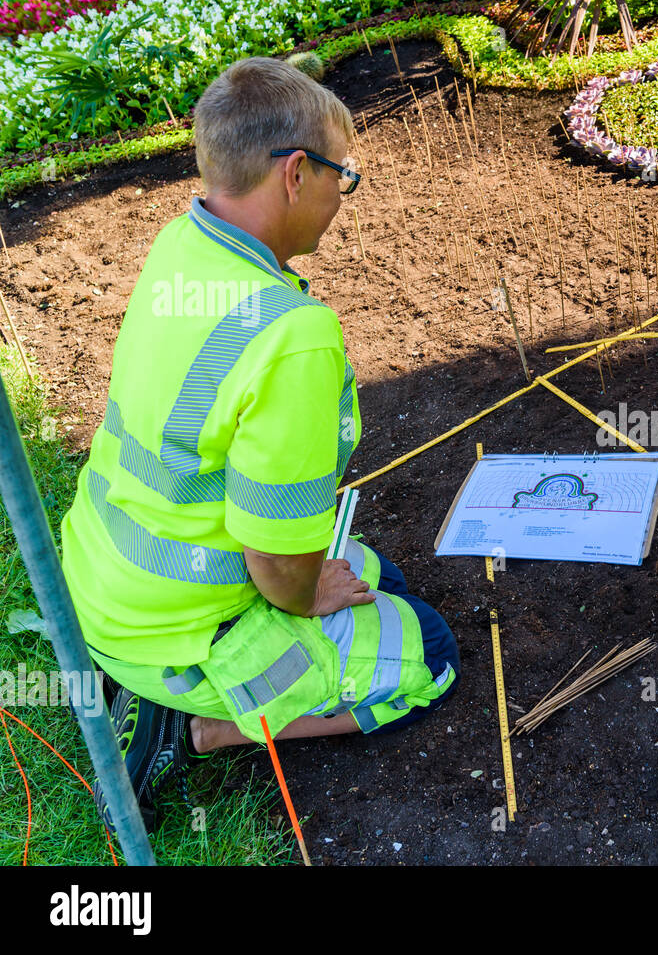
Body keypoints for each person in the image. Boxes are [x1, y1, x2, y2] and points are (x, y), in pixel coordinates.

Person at [60, 58, 459, 832]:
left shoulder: (183, 244)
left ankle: (160, 685)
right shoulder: (294, 337)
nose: (344, 198)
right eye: (344, 177)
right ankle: (197, 726)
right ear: (296, 173)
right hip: (186, 631)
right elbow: (278, 566)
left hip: (103, 581)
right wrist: (307, 596)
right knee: (433, 651)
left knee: (385, 576)